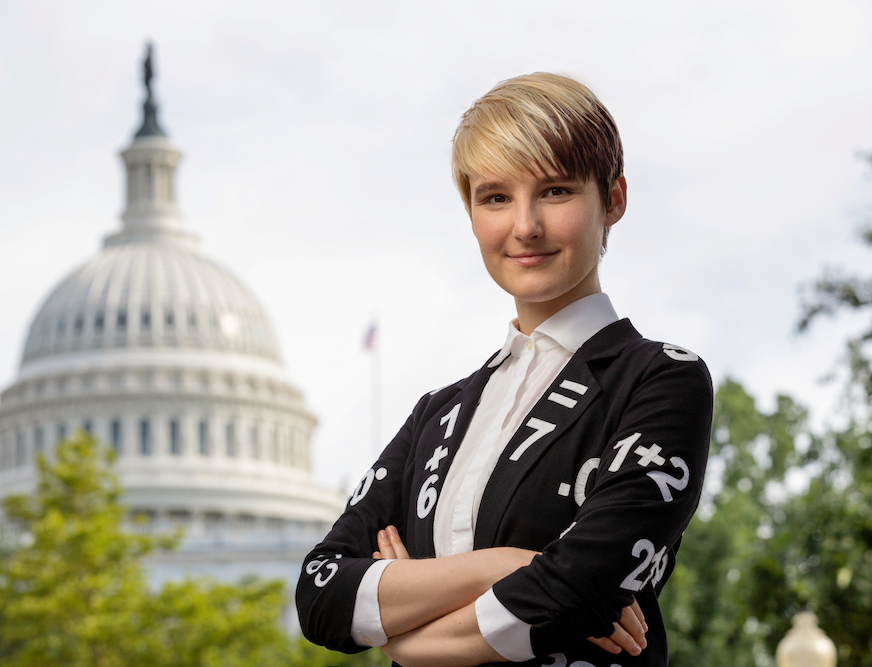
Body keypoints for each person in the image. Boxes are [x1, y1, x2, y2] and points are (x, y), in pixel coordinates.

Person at [296, 72, 713, 667]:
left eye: (556, 191)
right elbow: (320, 593)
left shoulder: (660, 379)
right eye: (495, 197)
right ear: (471, 214)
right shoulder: (437, 414)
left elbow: (577, 588)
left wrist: (404, 635)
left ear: (614, 200)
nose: (525, 226)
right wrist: (508, 566)